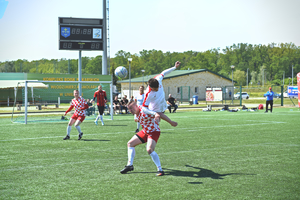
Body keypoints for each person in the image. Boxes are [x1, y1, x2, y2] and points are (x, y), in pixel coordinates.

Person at [120, 101, 178, 176]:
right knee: (130, 144)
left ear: (136, 106)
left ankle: (160, 170)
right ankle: (129, 165)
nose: (130, 110)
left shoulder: (143, 109)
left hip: (154, 131)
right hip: (145, 131)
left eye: (131, 108)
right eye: (129, 109)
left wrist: (169, 121)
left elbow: (158, 114)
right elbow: (137, 119)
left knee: (149, 149)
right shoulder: (135, 114)